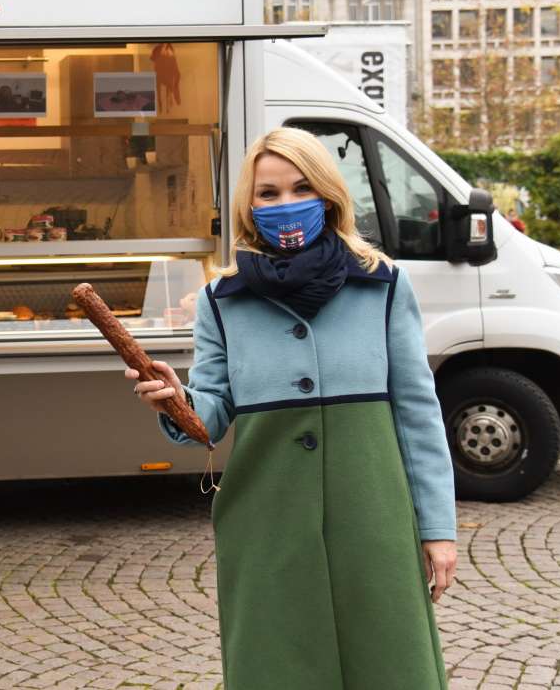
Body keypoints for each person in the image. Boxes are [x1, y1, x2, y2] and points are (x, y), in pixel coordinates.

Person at [125, 126, 457, 690]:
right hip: (267, 526)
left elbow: (417, 412)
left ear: (327, 195)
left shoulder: (382, 285)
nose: (287, 203)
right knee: (278, 669)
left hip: (374, 521)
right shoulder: (221, 301)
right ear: (250, 206)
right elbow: (211, 415)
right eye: (269, 193)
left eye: (302, 188)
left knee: (391, 666)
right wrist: (176, 399)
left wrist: (437, 529)